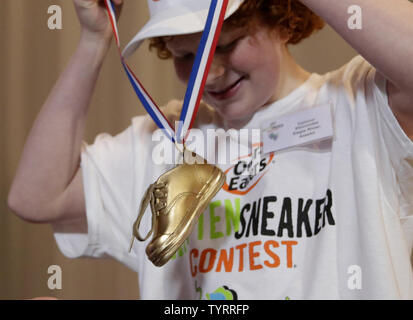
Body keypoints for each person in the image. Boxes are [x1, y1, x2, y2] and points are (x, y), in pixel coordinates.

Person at [8, 0, 413, 300]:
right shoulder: (165, 140)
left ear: (283, 20)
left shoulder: (360, 102)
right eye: (187, 55)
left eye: (228, 43)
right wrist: (94, 40)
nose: (212, 72)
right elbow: (36, 197)